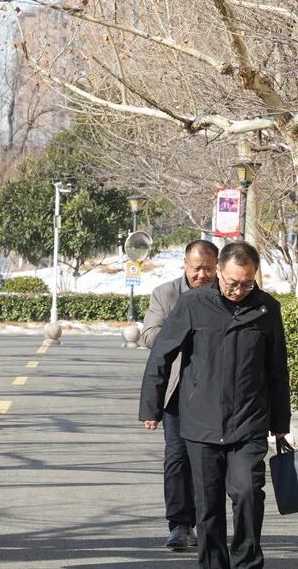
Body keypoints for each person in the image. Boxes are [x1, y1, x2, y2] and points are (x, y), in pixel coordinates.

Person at [139, 241, 290, 569]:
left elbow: (277, 368)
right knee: (208, 506)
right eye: (233, 282)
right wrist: (151, 405)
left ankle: (247, 562)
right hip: (201, 421)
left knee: (248, 492)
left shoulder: (267, 308)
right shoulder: (193, 304)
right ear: (219, 272)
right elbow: (162, 354)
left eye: (247, 283)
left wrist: (281, 421)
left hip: (248, 421)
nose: (239, 290)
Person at [140, 240, 218, 551]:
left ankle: (206, 523)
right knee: (177, 457)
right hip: (176, 391)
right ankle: (179, 524)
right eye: (196, 268)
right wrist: (184, 334)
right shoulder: (166, 294)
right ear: (185, 265)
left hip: (214, 392)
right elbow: (149, 335)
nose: (202, 275)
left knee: (208, 461)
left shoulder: (225, 294)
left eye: (208, 269)